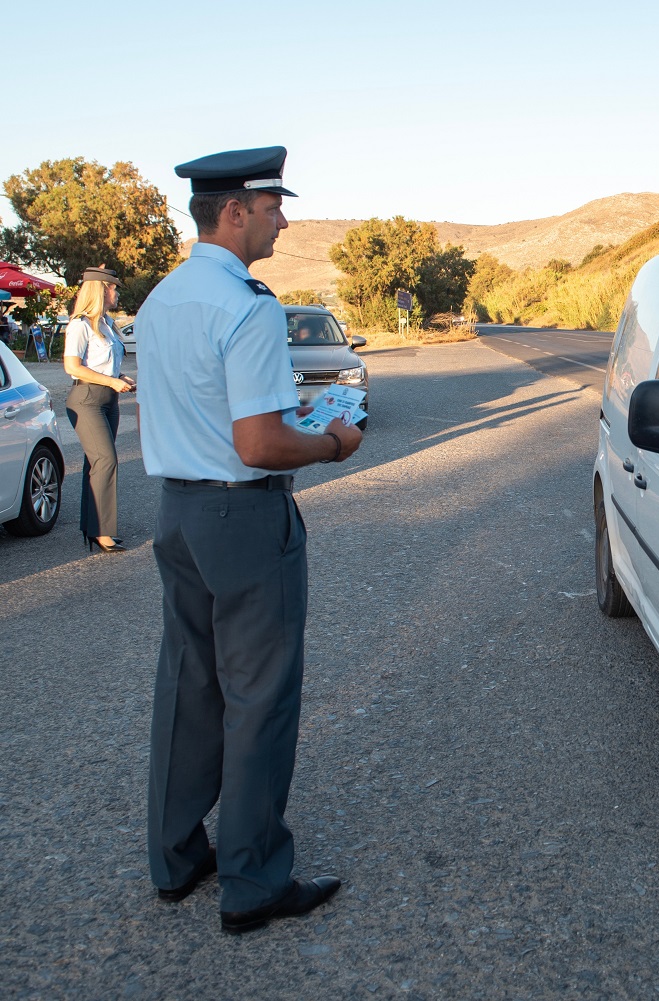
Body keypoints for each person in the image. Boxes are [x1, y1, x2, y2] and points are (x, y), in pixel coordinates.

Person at [135, 146, 362, 935]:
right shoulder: (250, 306)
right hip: (243, 515)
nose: (283, 219)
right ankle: (253, 879)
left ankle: (175, 856)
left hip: (179, 514)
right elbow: (260, 443)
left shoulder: (160, 300)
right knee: (259, 699)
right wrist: (333, 441)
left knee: (189, 687)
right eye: (272, 207)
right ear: (234, 212)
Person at [62, 266, 135, 553]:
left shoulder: (106, 324)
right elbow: (72, 366)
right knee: (106, 460)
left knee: (96, 464)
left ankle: (91, 527)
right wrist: (110, 381)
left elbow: (105, 364)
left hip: (109, 400)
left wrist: (121, 379)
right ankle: (103, 532)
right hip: (86, 399)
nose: (116, 293)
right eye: (113, 288)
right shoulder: (79, 325)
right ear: (101, 290)